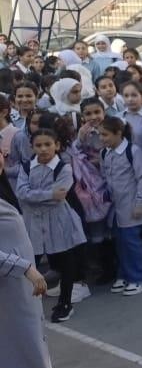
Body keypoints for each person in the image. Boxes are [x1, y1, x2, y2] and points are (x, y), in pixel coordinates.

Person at [0, 166, 58, 368]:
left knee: (27, 345)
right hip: (9, 288)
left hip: (19, 291)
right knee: (12, 350)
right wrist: (26, 268)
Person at [16, 128, 86, 323]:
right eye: (38, 145)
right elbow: (21, 192)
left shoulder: (63, 167)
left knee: (66, 260)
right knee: (31, 259)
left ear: (56, 145)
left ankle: (65, 303)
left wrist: (35, 196)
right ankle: (24, 304)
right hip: (33, 222)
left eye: (48, 144)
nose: (44, 149)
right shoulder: (26, 166)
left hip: (59, 220)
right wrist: (47, 195)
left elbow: (59, 196)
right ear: (32, 147)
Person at [100, 117, 142, 296]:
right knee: (120, 242)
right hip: (115, 208)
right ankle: (124, 275)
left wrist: (140, 203)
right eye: (101, 135)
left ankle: (139, 278)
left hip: (131, 206)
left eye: (105, 134)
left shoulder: (133, 151)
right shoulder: (105, 153)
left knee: (132, 243)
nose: (102, 139)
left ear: (118, 133)